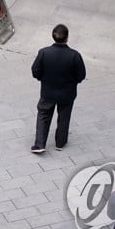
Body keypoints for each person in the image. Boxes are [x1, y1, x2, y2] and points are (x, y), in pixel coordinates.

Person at [30, 23, 86, 154]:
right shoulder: (74, 55)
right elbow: (81, 75)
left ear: (53, 36)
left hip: (47, 92)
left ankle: (39, 144)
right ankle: (60, 143)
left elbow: (35, 71)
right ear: (67, 37)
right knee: (64, 117)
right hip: (67, 93)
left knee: (43, 115)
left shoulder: (44, 53)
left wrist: (42, 79)